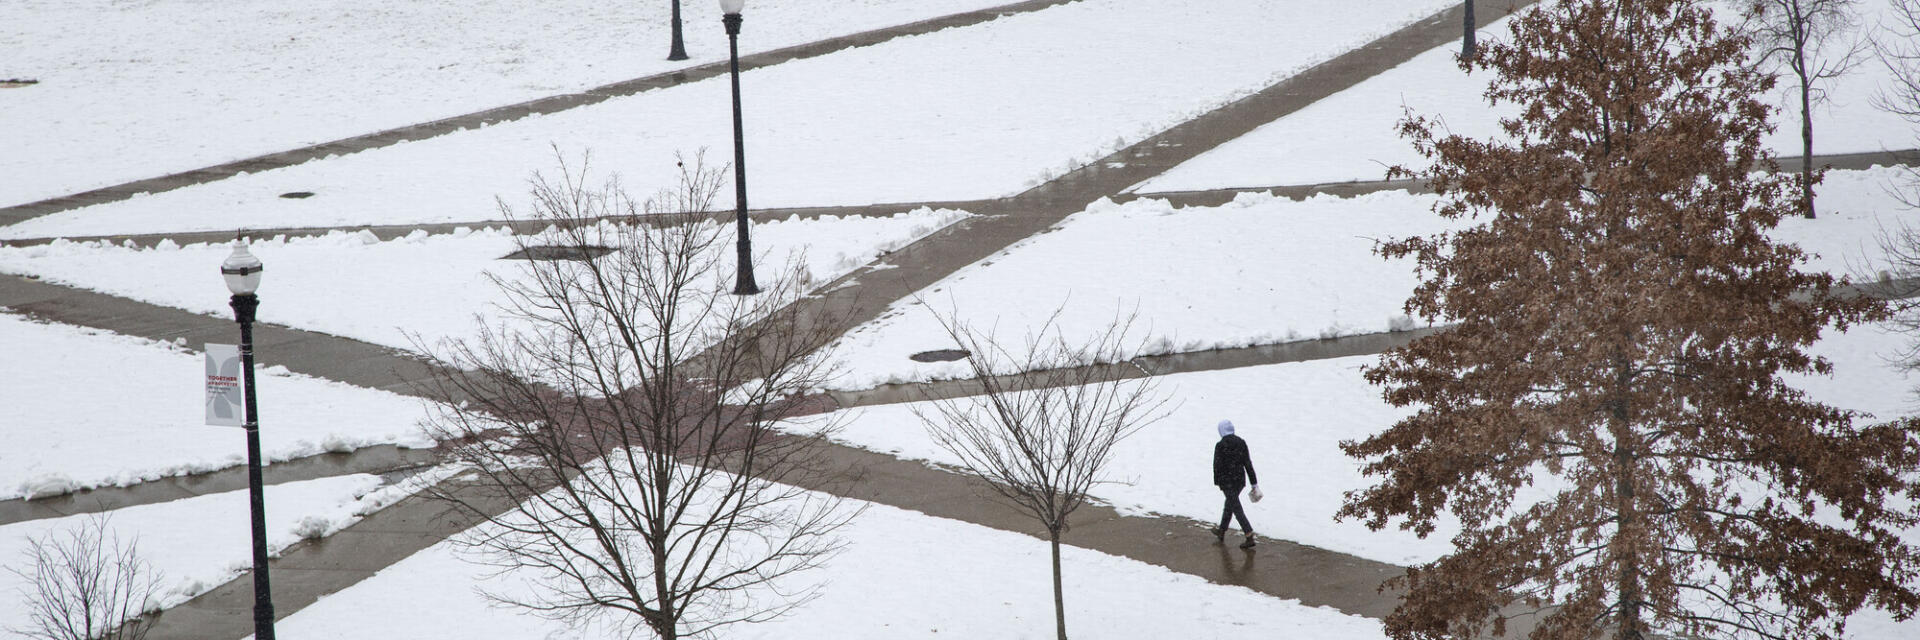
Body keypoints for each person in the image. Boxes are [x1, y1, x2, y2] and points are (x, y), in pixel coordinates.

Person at [1211, 419, 1259, 549]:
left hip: (1227, 482)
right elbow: (1247, 463)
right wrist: (1254, 483)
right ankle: (1221, 531)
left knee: (1236, 508)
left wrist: (1218, 482)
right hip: (1239, 481)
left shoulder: (1220, 445)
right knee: (1230, 505)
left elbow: (1217, 466)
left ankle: (1249, 535)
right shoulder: (1241, 443)